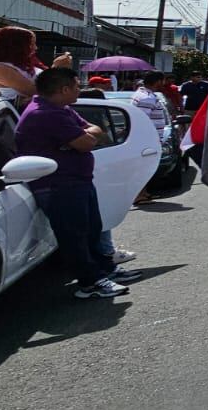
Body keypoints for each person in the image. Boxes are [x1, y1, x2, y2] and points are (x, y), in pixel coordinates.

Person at [15, 67, 142, 298]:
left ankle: (104, 270)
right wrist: (80, 139)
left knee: (92, 229)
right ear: (63, 89)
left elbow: (95, 132)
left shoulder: (60, 109)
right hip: (58, 185)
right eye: (76, 86)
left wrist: (79, 138)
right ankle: (90, 282)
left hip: (76, 181)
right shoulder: (45, 113)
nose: (79, 90)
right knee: (74, 235)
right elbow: (85, 143)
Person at [0, 25, 73, 109]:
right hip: (24, 114)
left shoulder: (30, 64)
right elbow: (35, 91)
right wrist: (55, 69)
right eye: (31, 44)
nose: (35, 48)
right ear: (16, 46)